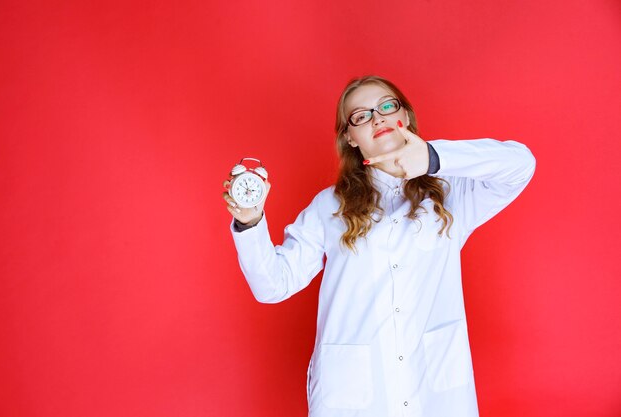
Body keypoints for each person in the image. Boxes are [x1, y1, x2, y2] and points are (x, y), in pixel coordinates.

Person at [222, 75, 536, 417]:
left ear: (406, 116)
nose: (377, 118)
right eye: (361, 115)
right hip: (353, 396)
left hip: (434, 390)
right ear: (350, 137)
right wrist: (249, 222)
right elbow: (273, 286)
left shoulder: (452, 194)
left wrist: (431, 158)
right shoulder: (328, 206)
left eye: (387, 106)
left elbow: (520, 165)